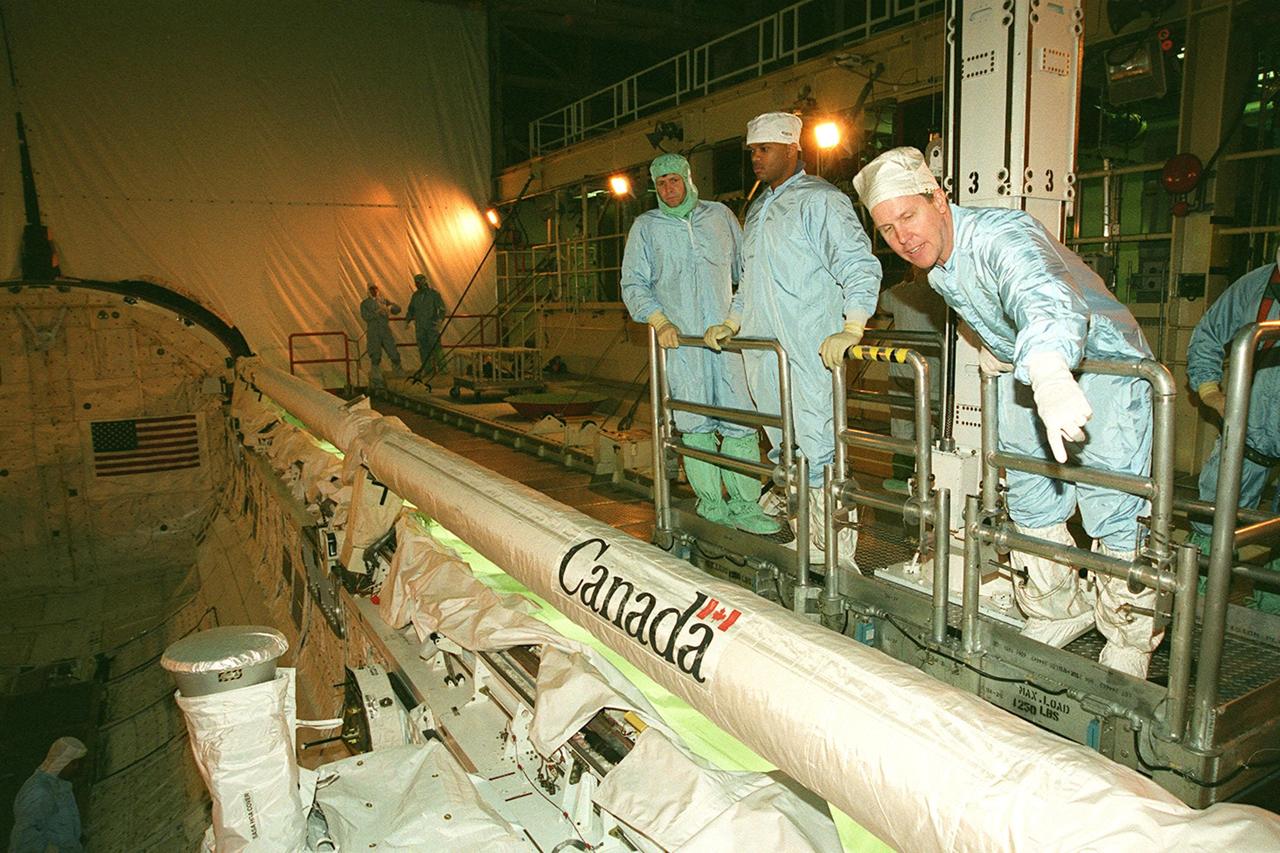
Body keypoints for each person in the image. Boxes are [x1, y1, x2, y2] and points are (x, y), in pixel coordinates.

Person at [854, 146, 1159, 678]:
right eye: (886, 229)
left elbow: (1043, 296)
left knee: (1112, 503)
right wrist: (1004, 347)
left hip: (1104, 367)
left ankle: (1130, 636)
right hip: (1030, 366)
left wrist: (1047, 370)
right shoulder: (941, 265)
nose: (901, 237)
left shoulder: (1003, 236)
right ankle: (1057, 607)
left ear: (940, 199)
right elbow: (1000, 306)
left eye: (909, 215)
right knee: (1029, 491)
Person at [703, 112, 882, 559]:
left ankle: (838, 557)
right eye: (752, 152)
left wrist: (853, 325)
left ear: (791, 150)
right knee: (787, 447)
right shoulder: (760, 209)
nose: (755, 160)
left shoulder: (821, 201)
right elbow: (750, 284)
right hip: (765, 355)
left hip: (811, 350)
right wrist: (732, 320)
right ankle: (809, 543)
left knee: (820, 449)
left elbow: (858, 263)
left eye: (763, 150)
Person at [622, 153, 779, 534]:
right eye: (660, 183)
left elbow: (748, 270)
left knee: (740, 421)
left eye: (674, 180)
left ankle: (746, 505)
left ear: (689, 180)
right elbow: (633, 283)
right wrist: (658, 320)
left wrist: (736, 319)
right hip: (683, 345)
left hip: (726, 340)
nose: (668, 189)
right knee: (695, 424)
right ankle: (712, 503)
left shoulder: (719, 216)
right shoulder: (646, 227)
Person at [1187, 247, 1280, 612]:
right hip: (1250, 434)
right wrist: (1211, 392)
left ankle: (1270, 628)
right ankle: (1195, 617)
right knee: (1213, 521)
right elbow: (1209, 333)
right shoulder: (1257, 287)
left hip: (1254, 428)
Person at [877, 267, 946, 491]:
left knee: (902, 425)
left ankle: (900, 475)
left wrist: (903, 280)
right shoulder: (945, 294)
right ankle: (928, 476)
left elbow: (880, 304)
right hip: (934, 373)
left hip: (902, 370)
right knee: (932, 425)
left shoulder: (899, 294)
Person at [9, 736, 86, 853]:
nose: (77, 768)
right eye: (73, 763)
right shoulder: (39, 792)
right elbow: (24, 837)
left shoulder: (60, 784)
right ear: (62, 762)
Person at [360, 283, 402, 385]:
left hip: (385, 330)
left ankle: (398, 374)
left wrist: (391, 307)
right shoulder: (365, 303)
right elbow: (365, 316)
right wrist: (377, 312)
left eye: (375, 289)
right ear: (368, 290)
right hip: (374, 332)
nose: (374, 291)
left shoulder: (383, 301)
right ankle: (376, 378)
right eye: (372, 289)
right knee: (375, 355)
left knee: (393, 353)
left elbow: (397, 310)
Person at [405, 273, 447, 373]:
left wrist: (440, 320)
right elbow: (411, 309)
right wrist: (407, 320)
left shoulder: (434, 294)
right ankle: (428, 369)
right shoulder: (415, 296)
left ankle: (443, 368)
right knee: (423, 349)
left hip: (431, 326)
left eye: (418, 282)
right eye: (416, 283)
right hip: (420, 327)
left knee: (436, 347)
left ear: (424, 282)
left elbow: (441, 308)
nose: (417, 284)